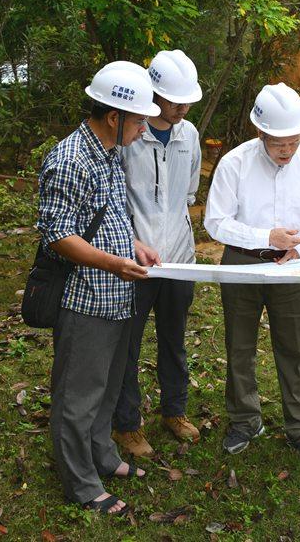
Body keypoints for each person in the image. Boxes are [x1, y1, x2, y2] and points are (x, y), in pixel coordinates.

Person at [37, 63, 160, 515]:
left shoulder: (109, 153)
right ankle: (82, 484)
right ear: (114, 116)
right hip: (85, 297)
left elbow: (109, 218)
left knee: (108, 386)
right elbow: (58, 234)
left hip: (117, 295)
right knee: (78, 394)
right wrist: (113, 262)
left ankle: (103, 456)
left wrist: (137, 245)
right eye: (141, 119)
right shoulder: (70, 159)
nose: (145, 126)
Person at [204, 83, 300, 462]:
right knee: (239, 345)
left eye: (293, 142)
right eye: (279, 144)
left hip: (292, 265)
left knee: (295, 346)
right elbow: (215, 222)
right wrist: (266, 236)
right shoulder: (235, 163)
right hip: (243, 261)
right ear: (260, 132)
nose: (287, 151)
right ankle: (244, 420)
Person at [113, 51, 203, 457]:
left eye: (187, 102)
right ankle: (126, 423)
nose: (182, 109)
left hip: (179, 257)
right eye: (174, 101)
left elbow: (187, 194)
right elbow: (115, 197)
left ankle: (174, 410)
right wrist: (131, 242)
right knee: (127, 343)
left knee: (174, 338)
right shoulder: (128, 136)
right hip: (134, 261)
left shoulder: (190, 135)